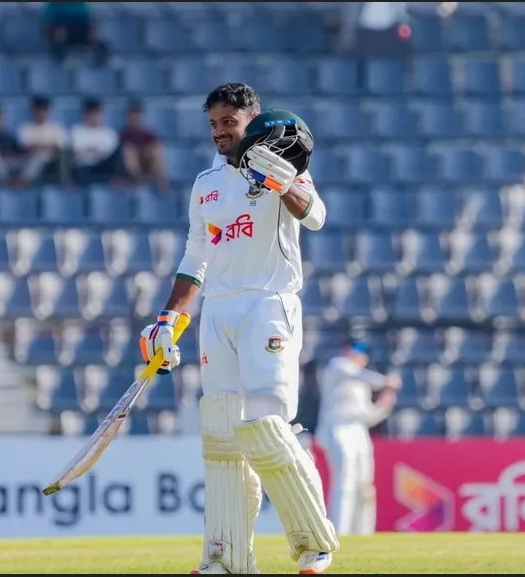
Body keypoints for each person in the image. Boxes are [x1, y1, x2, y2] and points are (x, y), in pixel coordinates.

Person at [136, 83, 337, 574]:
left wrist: (282, 182)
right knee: (221, 438)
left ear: (253, 119)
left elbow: (316, 217)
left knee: (266, 426)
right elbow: (194, 258)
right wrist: (168, 320)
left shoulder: (281, 163)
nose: (220, 133)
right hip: (217, 313)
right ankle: (226, 558)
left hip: (269, 305)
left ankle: (314, 543)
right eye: (214, 125)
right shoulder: (206, 183)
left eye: (229, 123)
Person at [314, 339, 400, 536]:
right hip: (338, 430)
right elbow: (356, 374)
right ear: (346, 350)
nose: (360, 355)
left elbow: (367, 417)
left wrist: (383, 407)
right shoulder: (338, 366)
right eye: (356, 350)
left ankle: (363, 534)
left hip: (359, 433)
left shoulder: (362, 386)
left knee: (364, 485)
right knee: (345, 483)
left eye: (363, 352)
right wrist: (386, 381)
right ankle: (339, 533)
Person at [120, 100, 170, 193]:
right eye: (132, 115)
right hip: (129, 172)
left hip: (148, 167)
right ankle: (139, 184)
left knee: (156, 150)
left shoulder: (149, 136)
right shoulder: (123, 136)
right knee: (129, 151)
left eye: (137, 115)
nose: (135, 119)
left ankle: (162, 183)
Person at [69, 98, 121, 186]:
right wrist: (95, 151)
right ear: (85, 114)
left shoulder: (109, 133)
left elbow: (111, 154)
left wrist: (92, 150)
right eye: (90, 113)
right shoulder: (76, 131)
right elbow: (77, 153)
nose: (93, 116)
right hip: (84, 167)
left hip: (103, 166)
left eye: (96, 113)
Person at [16, 95, 67, 185]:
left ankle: (23, 180)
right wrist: (44, 148)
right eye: (38, 110)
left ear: (49, 111)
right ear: (33, 111)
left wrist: (39, 148)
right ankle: (23, 180)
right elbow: (25, 148)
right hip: (29, 159)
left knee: (41, 155)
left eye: (44, 110)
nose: (41, 113)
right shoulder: (25, 128)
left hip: (52, 162)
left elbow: (58, 148)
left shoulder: (56, 128)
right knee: (39, 156)